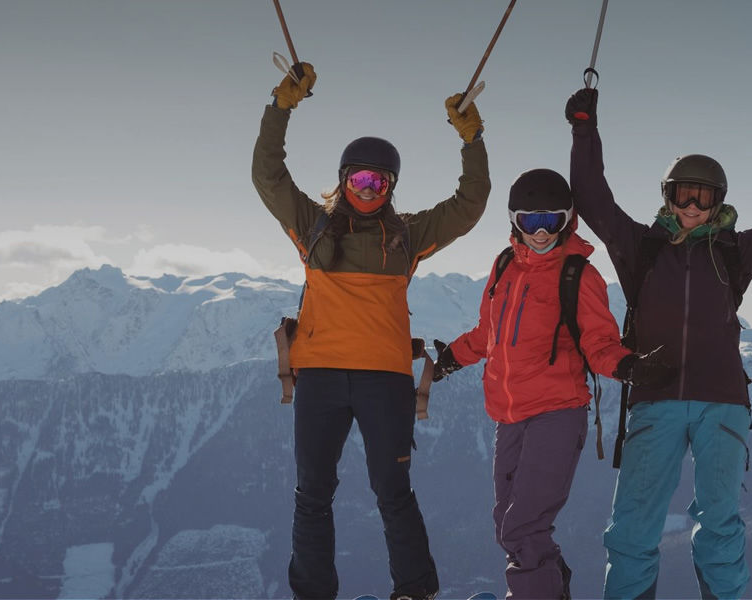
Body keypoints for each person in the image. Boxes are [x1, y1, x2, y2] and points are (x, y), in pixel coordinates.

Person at [563, 87, 752, 599]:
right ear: (667, 195)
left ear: (718, 202)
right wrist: (583, 129)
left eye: (703, 197)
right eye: (683, 193)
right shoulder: (640, 247)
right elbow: (592, 197)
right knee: (634, 525)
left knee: (720, 523)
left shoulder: (736, 251)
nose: (691, 205)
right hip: (655, 399)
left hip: (720, 402)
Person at [252, 62, 491, 600]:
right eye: (358, 179)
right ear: (342, 180)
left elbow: (470, 204)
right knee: (312, 493)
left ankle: (414, 590)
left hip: (383, 380)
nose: (367, 189)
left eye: (378, 182)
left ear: (391, 187)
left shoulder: (407, 236)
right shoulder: (311, 226)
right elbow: (268, 175)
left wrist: (472, 139)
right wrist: (280, 106)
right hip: (321, 377)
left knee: (392, 491)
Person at [430, 168, 677, 599]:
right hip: (508, 417)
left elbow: (599, 343)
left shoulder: (578, 275)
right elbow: (488, 333)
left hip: (556, 414)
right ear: (514, 221)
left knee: (523, 524)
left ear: (568, 219)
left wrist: (629, 367)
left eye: (551, 221)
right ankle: (548, 589)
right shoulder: (504, 265)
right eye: (530, 221)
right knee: (507, 526)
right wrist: (450, 359)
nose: (541, 232)